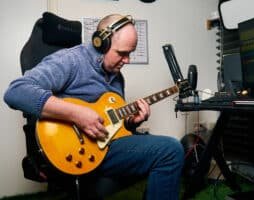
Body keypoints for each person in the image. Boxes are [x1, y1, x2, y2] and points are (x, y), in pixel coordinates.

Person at [4, 14, 184, 200]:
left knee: (165, 147)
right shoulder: (71, 60)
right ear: (101, 43)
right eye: (122, 53)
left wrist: (130, 124)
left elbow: (111, 125)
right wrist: (77, 114)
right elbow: (16, 92)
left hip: (105, 146)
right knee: (170, 150)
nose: (127, 60)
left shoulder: (117, 77)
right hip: (77, 149)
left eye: (130, 53)